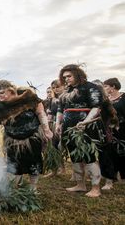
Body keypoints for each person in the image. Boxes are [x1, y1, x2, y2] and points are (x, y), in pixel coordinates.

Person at [0, 80, 53, 191]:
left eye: (2, 92)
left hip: (32, 137)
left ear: (11, 91)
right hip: (12, 139)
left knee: (34, 163)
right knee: (15, 165)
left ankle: (33, 188)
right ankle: (16, 187)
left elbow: (40, 112)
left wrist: (46, 130)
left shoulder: (26, 96)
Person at [55, 64, 106, 197]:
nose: (66, 79)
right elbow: (60, 109)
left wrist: (85, 121)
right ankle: (80, 184)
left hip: (86, 128)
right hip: (68, 129)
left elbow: (96, 107)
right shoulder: (66, 91)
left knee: (89, 156)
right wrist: (58, 124)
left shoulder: (90, 87)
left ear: (77, 74)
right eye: (64, 77)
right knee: (75, 156)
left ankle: (96, 188)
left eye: (69, 76)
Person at [103, 77, 125, 188]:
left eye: (106, 86)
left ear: (113, 87)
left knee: (123, 153)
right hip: (110, 131)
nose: (104, 88)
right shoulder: (106, 100)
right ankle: (110, 179)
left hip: (123, 130)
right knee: (110, 153)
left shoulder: (124, 97)